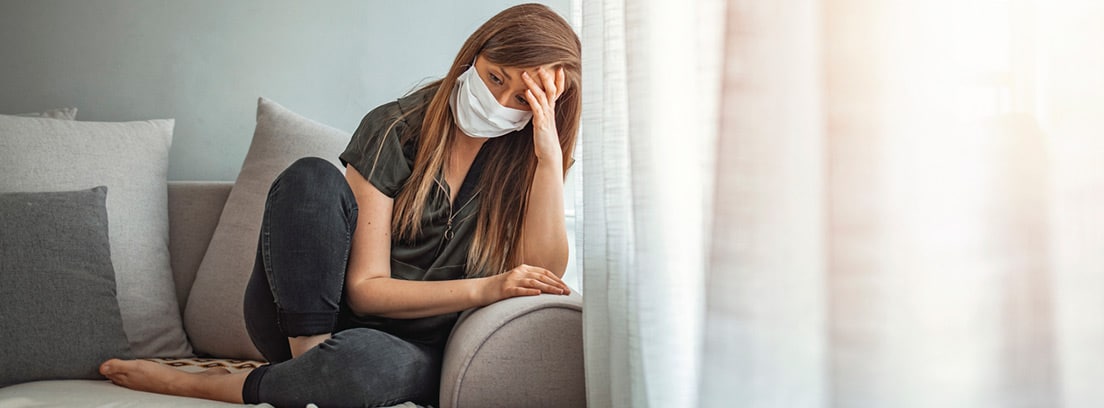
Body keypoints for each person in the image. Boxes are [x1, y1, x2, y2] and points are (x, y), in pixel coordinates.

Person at [97, 3, 581, 407]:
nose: (500, 101)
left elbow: (541, 273)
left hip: (411, 348)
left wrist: (547, 157)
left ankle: (229, 385)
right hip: (311, 319)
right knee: (310, 176)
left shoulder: (529, 162)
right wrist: (486, 288)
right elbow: (365, 290)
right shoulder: (396, 127)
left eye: (523, 99)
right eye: (495, 77)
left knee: (363, 365)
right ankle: (309, 368)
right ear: (473, 56)